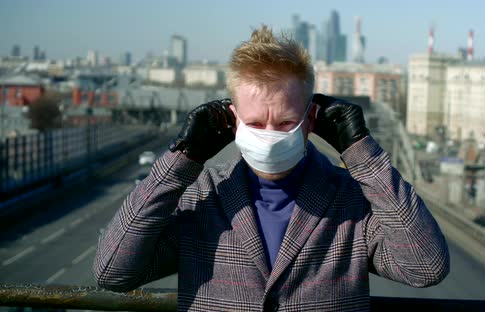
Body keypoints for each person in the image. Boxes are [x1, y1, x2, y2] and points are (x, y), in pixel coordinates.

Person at [94, 25, 450, 311]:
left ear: (311, 120)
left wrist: (363, 154)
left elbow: (425, 267)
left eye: (284, 123)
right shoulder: (203, 196)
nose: (269, 136)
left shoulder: (350, 200)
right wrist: (182, 159)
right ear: (233, 122)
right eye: (255, 123)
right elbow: (113, 271)